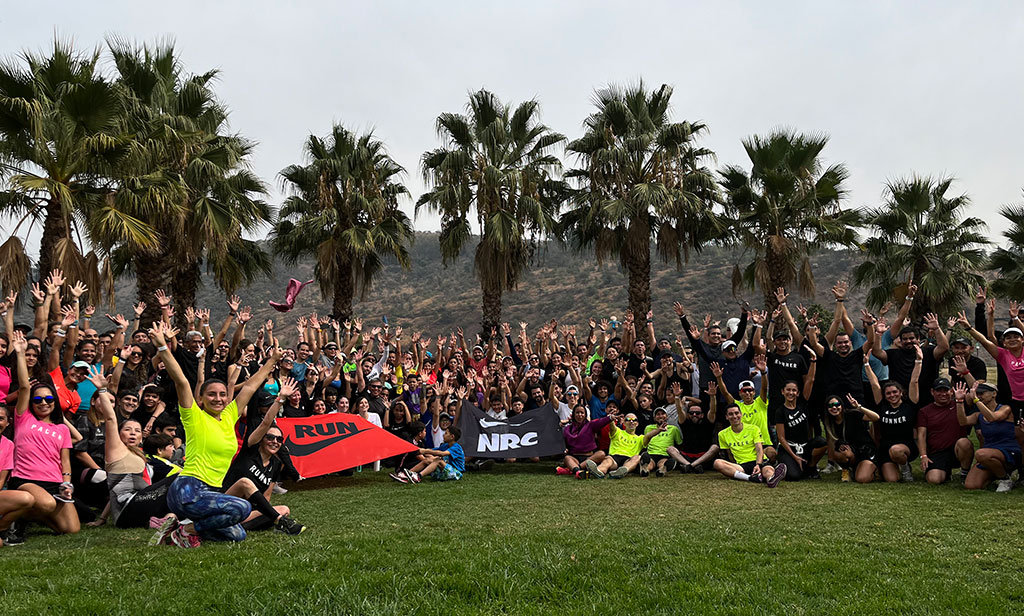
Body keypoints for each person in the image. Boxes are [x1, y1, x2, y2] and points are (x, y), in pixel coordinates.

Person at [149, 322, 284, 548]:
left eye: (222, 394)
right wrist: (163, 347)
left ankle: (177, 530)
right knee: (242, 508)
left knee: (237, 534)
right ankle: (185, 530)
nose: (219, 398)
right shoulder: (194, 416)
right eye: (211, 395)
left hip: (210, 493)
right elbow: (181, 381)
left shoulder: (229, 415)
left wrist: (272, 361)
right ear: (201, 398)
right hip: (187, 489)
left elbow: (249, 387)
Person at [0, 332, 79, 545]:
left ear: (54, 400)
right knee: (46, 504)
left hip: (55, 484)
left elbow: (65, 461)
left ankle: (29, 516)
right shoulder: (23, 417)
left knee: (71, 529)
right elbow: (24, 386)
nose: (43, 402)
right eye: (38, 399)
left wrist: (67, 484)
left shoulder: (62, 428)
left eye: (48, 398)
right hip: (26, 480)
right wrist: (19, 353)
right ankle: (14, 522)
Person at [85, 368, 175, 529]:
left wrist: (103, 519)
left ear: (142, 437)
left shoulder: (141, 456)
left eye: (137, 431)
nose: (133, 433)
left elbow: (115, 489)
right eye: (128, 430)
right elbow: (111, 418)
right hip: (127, 509)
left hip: (135, 509)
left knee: (177, 487)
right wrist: (102, 390)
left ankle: (165, 520)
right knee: (177, 478)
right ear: (118, 434)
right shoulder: (116, 450)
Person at [221, 377, 306, 535]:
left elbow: (266, 500)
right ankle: (280, 522)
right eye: (270, 438)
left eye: (279, 439)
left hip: (245, 513)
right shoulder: (250, 450)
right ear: (261, 439)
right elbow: (266, 422)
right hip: (225, 503)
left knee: (283, 509)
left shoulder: (275, 465)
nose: (275, 442)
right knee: (246, 483)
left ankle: (235, 526)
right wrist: (280, 399)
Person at [861, 346, 923, 483]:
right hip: (885, 447)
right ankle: (889, 467)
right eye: (888, 393)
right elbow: (874, 384)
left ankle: (906, 469)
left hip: (905, 447)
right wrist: (866, 364)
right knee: (892, 479)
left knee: (896, 451)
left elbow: (914, 381)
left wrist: (919, 361)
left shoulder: (910, 405)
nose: (892, 395)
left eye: (895, 392)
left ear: (901, 392)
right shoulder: (882, 405)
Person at [956, 382, 1020, 492]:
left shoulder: (1005, 409)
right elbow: (963, 422)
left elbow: (992, 417)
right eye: (977, 394)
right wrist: (960, 401)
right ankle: (996, 474)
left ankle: (1005, 479)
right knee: (971, 485)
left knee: (980, 454)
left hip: (1007, 451)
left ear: (994, 394)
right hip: (989, 454)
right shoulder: (978, 415)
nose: (979, 396)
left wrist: (976, 400)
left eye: (982, 393)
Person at [773, 350, 826, 481]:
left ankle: (811, 467)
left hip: (804, 446)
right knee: (794, 476)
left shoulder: (802, 403)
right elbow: (781, 438)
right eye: (788, 390)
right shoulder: (780, 411)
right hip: (789, 448)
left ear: (797, 393)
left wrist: (813, 361)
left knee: (822, 442)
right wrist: (794, 456)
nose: (791, 393)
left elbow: (810, 380)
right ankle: (781, 464)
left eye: (794, 390)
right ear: (782, 392)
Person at [714, 354, 776, 463]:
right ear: (740, 393)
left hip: (762, 442)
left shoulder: (760, 402)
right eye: (744, 391)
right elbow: (725, 392)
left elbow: (764, 388)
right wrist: (719, 377)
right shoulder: (737, 406)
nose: (747, 393)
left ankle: (765, 466)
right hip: (745, 444)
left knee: (772, 453)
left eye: (750, 390)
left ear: (754, 392)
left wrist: (763, 372)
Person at [916, 378, 975, 485]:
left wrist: (966, 373)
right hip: (937, 452)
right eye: (939, 391)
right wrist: (923, 456)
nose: (943, 394)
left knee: (964, 443)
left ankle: (965, 473)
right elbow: (921, 435)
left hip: (957, 450)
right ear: (932, 392)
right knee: (934, 480)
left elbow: (973, 396)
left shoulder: (960, 404)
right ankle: (945, 472)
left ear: (951, 391)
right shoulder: (924, 411)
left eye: (946, 390)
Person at [712, 403, 786, 487]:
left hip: (758, 461)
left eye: (736, 413)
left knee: (768, 471)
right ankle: (750, 478)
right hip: (742, 465)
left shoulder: (753, 429)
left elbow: (759, 449)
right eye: (730, 414)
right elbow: (730, 454)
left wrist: (758, 464)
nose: (734, 416)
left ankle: (771, 479)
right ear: (726, 417)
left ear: (741, 414)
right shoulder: (722, 434)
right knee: (717, 463)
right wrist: (733, 467)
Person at [584, 413, 661, 479]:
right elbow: (612, 427)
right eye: (628, 419)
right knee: (607, 460)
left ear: (637, 424)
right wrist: (610, 419)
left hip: (628, 460)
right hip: (614, 458)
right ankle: (599, 471)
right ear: (624, 423)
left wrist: (658, 430)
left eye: (634, 420)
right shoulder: (618, 431)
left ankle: (622, 472)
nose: (631, 421)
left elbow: (648, 436)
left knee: (638, 457)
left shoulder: (640, 438)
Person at [642, 407, 683, 477]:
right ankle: (645, 469)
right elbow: (646, 441)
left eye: (663, 414)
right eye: (658, 414)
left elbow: (679, 443)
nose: (660, 416)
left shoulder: (673, 429)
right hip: (651, 453)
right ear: (654, 418)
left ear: (666, 416)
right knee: (650, 464)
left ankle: (662, 470)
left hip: (665, 454)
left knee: (663, 464)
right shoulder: (648, 428)